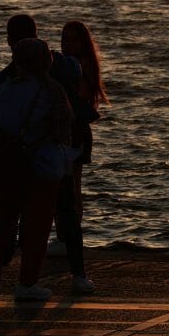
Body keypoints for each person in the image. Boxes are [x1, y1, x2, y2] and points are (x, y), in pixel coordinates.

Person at [0, 38, 75, 301]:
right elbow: (63, 130)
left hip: (6, 166)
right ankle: (27, 283)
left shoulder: (2, 90)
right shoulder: (51, 90)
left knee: (2, 223)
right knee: (36, 227)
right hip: (40, 166)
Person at [54, 20, 107, 294]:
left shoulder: (81, 68)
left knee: (72, 184)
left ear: (82, 43)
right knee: (65, 183)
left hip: (75, 131)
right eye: (64, 38)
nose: (66, 43)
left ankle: (68, 234)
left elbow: (80, 98)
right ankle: (64, 234)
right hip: (70, 129)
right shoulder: (65, 65)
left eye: (72, 39)